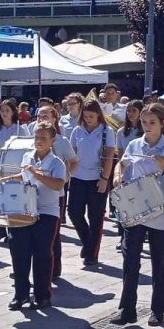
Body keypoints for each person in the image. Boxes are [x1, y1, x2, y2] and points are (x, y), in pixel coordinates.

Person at [113, 103, 164, 326]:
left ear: (162, 123)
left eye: (152, 122)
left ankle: (158, 310)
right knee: (130, 261)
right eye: (144, 122)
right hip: (136, 210)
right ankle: (128, 309)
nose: (147, 126)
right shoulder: (135, 144)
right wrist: (118, 175)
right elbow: (122, 164)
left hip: (161, 213)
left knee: (160, 263)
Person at [8, 122, 66, 310]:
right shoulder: (27, 156)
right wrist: (9, 178)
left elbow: (58, 185)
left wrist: (38, 174)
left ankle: (43, 296)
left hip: (46, 211)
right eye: (36, 137)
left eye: (43, 138)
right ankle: (21, 294)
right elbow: (25, 176)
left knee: (41, 253)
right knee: (19, 251)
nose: (38, 141)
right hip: (25, 209)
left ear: (52, 140)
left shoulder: (57, 163)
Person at [68, 99, 115, 266]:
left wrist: (105, 179)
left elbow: (109, 156)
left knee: (95, 217)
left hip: (97, 178)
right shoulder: (77, 130)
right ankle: (87, 241)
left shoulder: (106, 131)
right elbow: (72, 154)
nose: (88, 119)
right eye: (86, 116)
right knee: (74, 213)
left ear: (98, 116)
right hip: (78, 177)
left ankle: (92, 253)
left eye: (91, 116)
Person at [33, 105, 77, 279]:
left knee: (53, 234)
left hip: (55, 193)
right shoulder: (33, 138)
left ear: (54, 118)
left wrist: (66, 178)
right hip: (34, 194)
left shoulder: (61, 140)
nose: (41, 118)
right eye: (38, 115)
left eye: (45, 115)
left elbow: (74, 161)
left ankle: (54, 269)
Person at [0, 98, 30, 243]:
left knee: (11, 201)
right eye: (2, 111)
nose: (4, 113)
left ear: (13, 112)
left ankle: (12, 229)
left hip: (13, 171)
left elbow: (28, 150)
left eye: (7, 110)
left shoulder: (21, 129)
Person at [114, 100, 144, 247]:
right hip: (126, 173)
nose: (131, 114)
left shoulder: (144, 131)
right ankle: (123, 237)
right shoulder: (121, 132)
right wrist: (119, 173)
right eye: (128, 111)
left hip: (141, 174)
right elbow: (120, 154)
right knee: (124, 207)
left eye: (134, 111)